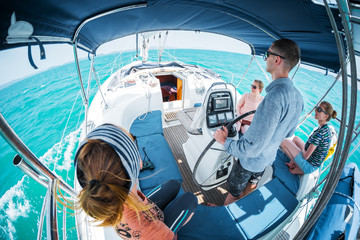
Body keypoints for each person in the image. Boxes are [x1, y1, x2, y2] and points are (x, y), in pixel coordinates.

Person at [214, 38, 304, 205]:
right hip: (266, 160)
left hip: (249, 162)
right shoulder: (298, 98)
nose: (265, 58)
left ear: (277, 59)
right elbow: (288, 134)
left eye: (267, 54)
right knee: (251, 186)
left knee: (234, 192)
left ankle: (223, 216)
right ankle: (239, 208)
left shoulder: (273, 98)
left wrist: (225, 141)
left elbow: (251, 149)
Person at [74, 124, 197, 240]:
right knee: (191, 199)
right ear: (137, 164)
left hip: (145, 212)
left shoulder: (112, 194)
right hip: (159, 233)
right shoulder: (144, 227)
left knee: (173, 184)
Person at [281, 101, 337, 174]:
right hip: (312, 160)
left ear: (325, 116)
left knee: (284, 142)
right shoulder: (324, 129)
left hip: (309, 166)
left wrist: (302, 150)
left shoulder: (320, 134)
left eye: (319, 110)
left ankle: (299, 167)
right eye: (317, 108)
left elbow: (305, 156)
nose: (316, 110)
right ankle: (294, 163)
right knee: (295, 139)